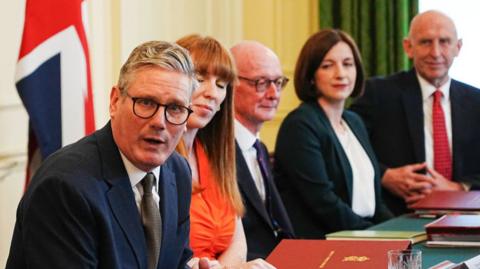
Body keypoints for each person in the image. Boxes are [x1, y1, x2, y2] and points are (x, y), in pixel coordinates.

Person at [6, 41, 203, 269]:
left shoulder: (177, 171)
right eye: (146, 103)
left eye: (176, 108)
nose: (159, 122)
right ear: (115, 101)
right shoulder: (64, 187)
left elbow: (175, 262)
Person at [350, 10, 480, 215]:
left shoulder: (477, 102)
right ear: (408, 47)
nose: (435, 52)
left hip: (464, 218)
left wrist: (459, 189)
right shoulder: (377, 94)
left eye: (444, 41)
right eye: (426, 42)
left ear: (458, 47)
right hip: (395, 217)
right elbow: (346, 146)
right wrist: (383, 175)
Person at [274, 29, 392, 239]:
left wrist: (398, 230)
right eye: (327, 66)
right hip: (324, 243)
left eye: (348, 64)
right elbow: (323, 202)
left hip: (362, 235)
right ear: (311, 76)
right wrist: (376, 235)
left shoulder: (354, 121)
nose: (341, 74)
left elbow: (375, 199)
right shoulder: (300, 124)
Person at [176, 35, 276, 269]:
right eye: (200, 79)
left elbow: (238, 243)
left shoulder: (215, 155)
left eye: (221, 85)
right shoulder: (158, 158)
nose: (212, 93)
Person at [230, 41, 294, 260]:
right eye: (261, 83)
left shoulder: (260, 149)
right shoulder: (216, 153)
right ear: (230, 84)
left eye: (278, 82)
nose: (274, 93)